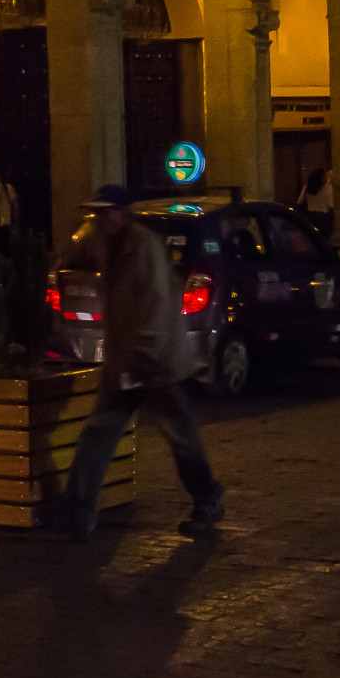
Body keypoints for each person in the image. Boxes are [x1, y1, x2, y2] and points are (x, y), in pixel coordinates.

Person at [63, 185, 224, 542]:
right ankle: (77, 512)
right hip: (125, 360)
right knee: (98, 433)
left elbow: (155, 304)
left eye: (106, 212)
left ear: (123, 212)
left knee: (179, 436)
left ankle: (207, 500)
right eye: (97, 213)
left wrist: (138, 355)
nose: (100, 219)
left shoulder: (145, 246)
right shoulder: (107, 246)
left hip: (155, 362)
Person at [297, 165, 335, 244]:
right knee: (324, 241)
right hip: (323, 218)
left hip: (311, 217)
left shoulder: (307, 187)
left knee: (313, 241)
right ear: (322, 177)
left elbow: (299, 201)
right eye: (325, 175)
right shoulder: (327, 188)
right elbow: (330, 204)